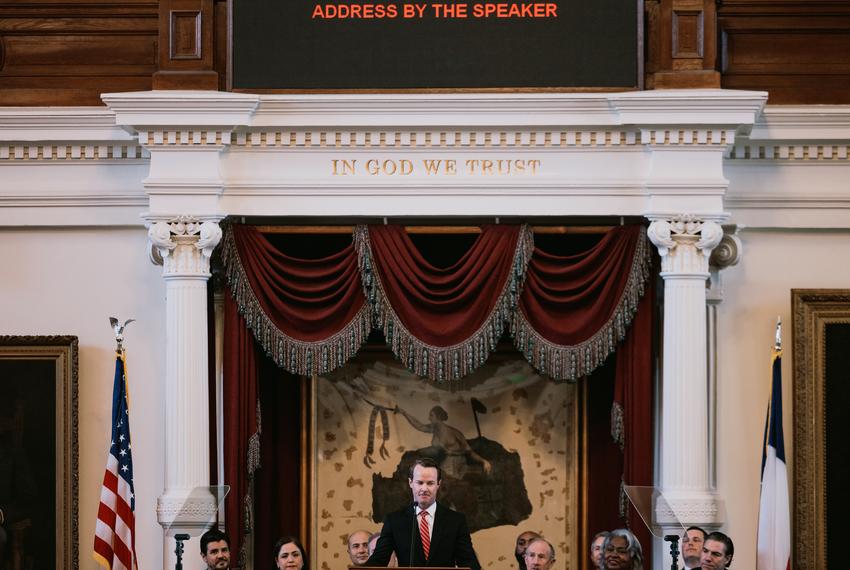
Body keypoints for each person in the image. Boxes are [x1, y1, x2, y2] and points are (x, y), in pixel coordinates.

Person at [365, 457, 481, 569]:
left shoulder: (455, 521)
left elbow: (468, 562)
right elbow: (378, 560)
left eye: (430, 483)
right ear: (410, 482)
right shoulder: (394, 520)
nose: (424, 489)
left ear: (438, 484)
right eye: (419, 482)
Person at [396, 405, 492, 477]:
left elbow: (470, 452)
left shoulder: (454, 433)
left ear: (438, 417)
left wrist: (484, 461)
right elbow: (419, 426)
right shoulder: (434, 428)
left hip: (457, 464)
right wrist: (404, 412)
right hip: (446, 463)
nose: (429, 418)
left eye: (431, 415)